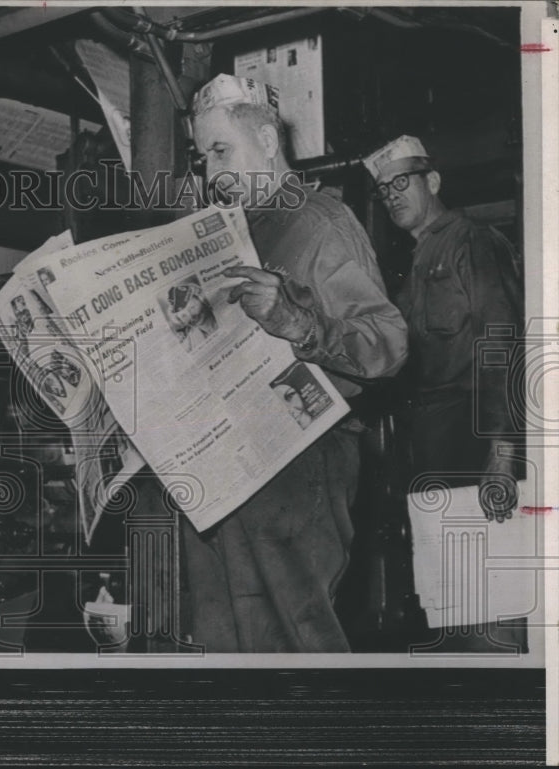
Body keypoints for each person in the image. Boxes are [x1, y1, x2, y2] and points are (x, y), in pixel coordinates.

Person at [183, 74, 408, 652]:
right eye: (203, 158)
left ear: (265, 139)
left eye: (221, 151)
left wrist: (295, 321)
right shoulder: (230, 230)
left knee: (294, 639)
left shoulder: (319, 222)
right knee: (223, 642)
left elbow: (387, 343)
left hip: (301, 463)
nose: (211, 173)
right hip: (226, 461)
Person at [364, 136, 523, 521]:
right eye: (384, 189)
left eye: (401, 182)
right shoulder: (416, 261)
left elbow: (502, 344)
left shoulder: (471, 240)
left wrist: (502, 452)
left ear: (432, 182)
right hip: (431, 442)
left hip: (470, 439)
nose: (391, 196)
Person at [167, 281, 218, 352]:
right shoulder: (190, 343)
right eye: (182, 317)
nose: (190, 316)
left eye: (192, 307)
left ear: (201, 299)